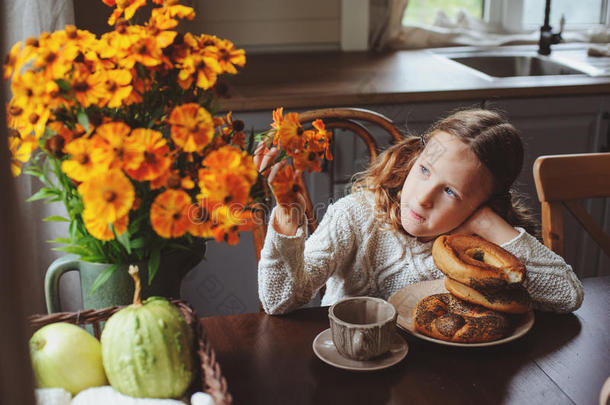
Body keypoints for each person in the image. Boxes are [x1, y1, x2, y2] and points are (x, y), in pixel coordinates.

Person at [254, 108, 584, 315]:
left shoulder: (480, 247)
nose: (423, 198)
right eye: (425, 170)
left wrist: (491, 226)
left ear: (483, 205)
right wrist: (286, 211)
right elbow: (280, 300)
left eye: (450, 191)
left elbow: (567, 295)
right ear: (414, 157)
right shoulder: (354, 217)